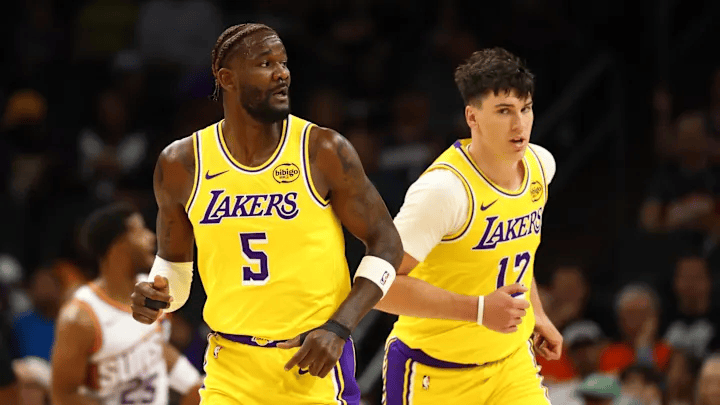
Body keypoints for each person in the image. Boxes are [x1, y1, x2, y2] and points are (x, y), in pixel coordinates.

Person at [130, 23, 403, 405]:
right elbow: (174, 269)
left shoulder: (322, 150)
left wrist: (341, 326)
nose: (281, 73)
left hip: (311, 363)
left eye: (283, 63)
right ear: (227, 78)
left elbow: (387, 243)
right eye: (265, 63)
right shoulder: (181, 162)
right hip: (230, 369)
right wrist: (156, 295)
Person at [375, 47, 561, 404]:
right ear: (472, 117)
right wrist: (478, 310)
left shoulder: (541, 165)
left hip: (510, 367)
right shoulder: (444, 191)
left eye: (525, 108)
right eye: (504, 111)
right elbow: (377, 286)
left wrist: (537, 313)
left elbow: (517, 252)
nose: (519, 124)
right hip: (434, 371)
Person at [51, 203, 202, 405]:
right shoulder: (81, 315)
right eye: (140, 231)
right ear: (118, 245)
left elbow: (155, 350)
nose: (151, 237)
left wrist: (195, 386)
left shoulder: (153, 290)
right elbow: (63, 396)